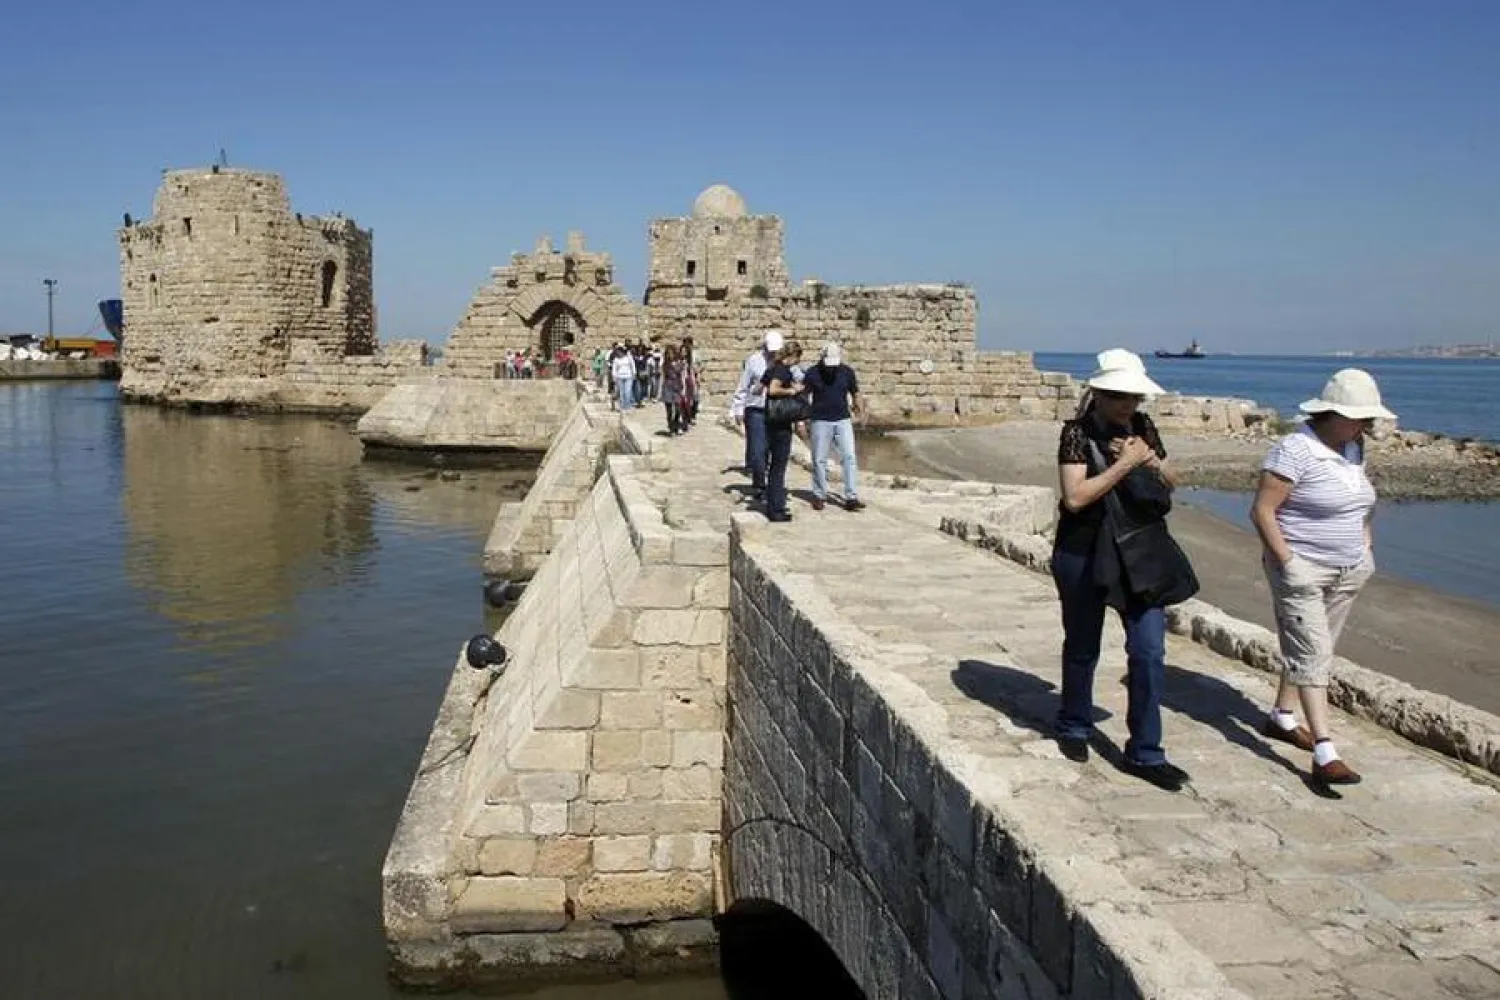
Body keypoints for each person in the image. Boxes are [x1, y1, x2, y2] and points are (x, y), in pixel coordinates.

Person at [1052, 349, 1194, 792]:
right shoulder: (1075, 434)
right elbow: (1075, 497)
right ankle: (1075, 723)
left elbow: (1173, 479)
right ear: (1098, 393)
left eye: (1134, 397)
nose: (1127, 406)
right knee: (1082, 643)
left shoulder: (1143, 429)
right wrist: (1123, 465)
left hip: (1138, 554)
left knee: (1149, 650)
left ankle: (1147, 751)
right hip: (1086, 551)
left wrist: (1149, 460)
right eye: (1118, 396)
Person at [1250, 369, 1394, 787]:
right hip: (1302, 569)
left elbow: (1360, 501)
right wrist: (1288, 562)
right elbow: (1262, 511)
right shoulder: (1293, 451)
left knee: (1314, 648)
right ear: (1332, 413)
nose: (1365, 426)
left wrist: (1366, 545)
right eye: (1359, 418)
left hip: (1349, 569)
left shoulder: (1354, 447)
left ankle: (1282, 715)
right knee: (1313, 654)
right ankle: (1326, 751)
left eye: (1368, 419)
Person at [803, 342, 865, 511]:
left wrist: (860, 411)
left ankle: (851, 496)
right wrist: (801, 420)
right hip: (819, 420)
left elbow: (855, 392)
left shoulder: (847, 372)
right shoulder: (812, 373)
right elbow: (804, 395)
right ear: (822, 358)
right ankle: (819, 494)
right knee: (819, 459)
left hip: (842, 420)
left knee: (849, 457)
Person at [730, 329, 785, 497]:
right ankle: (760, 484)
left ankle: (769, 485)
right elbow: (743, 386)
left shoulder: (784, 362)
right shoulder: (754, 361)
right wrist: (737, 409)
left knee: (772, 450)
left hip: (777, 411)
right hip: (756, 410)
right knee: (758, 450)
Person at [759, 340, 805, 523]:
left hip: (770, 420)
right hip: (780, 423)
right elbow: (773, 389)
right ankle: (776, 509)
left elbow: (759, 387)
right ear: (793, 356)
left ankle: (773, 504)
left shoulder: (772, 367)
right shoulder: (782, 370)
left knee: (774, 466)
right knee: (778, 466)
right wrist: (792, 391)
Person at [660, 344, 690, 436]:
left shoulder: (680, 364)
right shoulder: (665, 365)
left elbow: (682, 376)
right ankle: (671, 427)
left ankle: (676, 425)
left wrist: (684, 389)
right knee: (669, 410)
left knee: (677, 409)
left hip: (677, 387)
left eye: (671, 353)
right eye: (668, 354)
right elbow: (663, 377)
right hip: (667, 387)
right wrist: (660, 392)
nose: (670, 355)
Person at [609, 344, 635, 412]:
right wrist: (614, 377)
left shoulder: (629, 357)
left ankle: (627, 406)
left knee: (627, 391)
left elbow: (632, 365)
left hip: (628, 377)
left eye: (618, 352)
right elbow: (614, 369)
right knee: (622, 393)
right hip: (619, 377)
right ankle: (623, 406)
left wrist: (634, 373)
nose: (618, 353)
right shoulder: (616, 359)